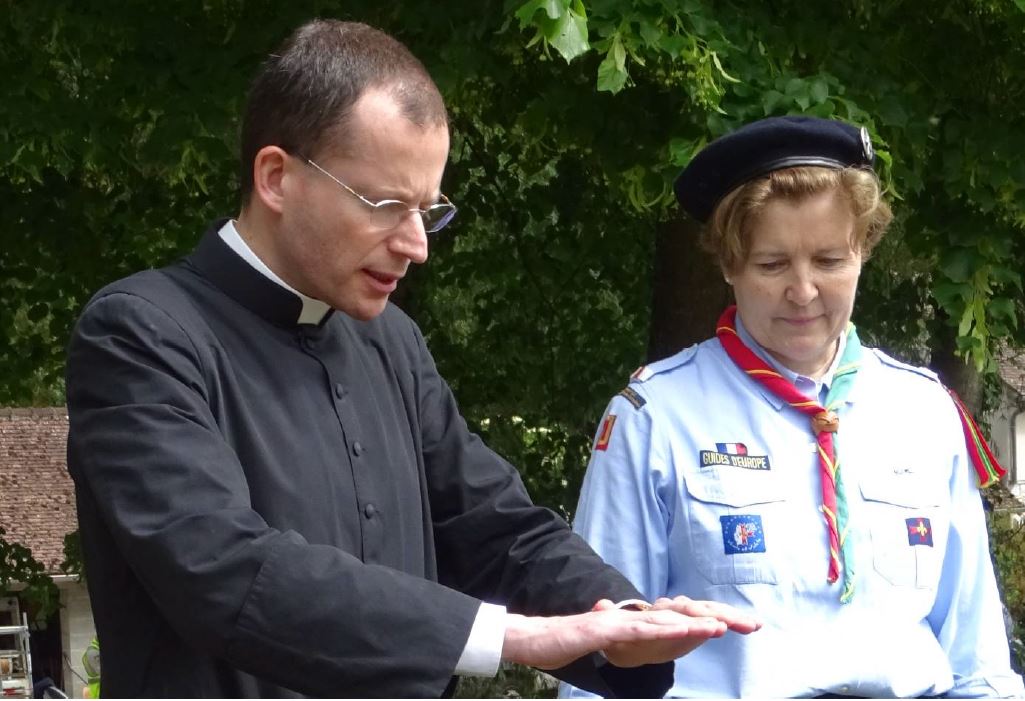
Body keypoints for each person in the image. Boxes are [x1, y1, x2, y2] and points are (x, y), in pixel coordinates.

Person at [64, 19, 760, 698]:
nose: (416, 244)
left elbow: (491, 524)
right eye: (386, 204)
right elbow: (219, 568)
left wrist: (618, 615)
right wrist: (511, 637)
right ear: (276, 177)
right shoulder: (142, 334)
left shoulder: (388, 339)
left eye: (428, 209)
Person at [560, 116, 1025, 698]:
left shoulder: (924, 411)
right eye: (773, 264)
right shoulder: (655, 417)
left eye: (829, 261)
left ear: (864, 253)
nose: (803, 292)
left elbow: (976, 659)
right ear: (729, 265)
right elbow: (602, 666)